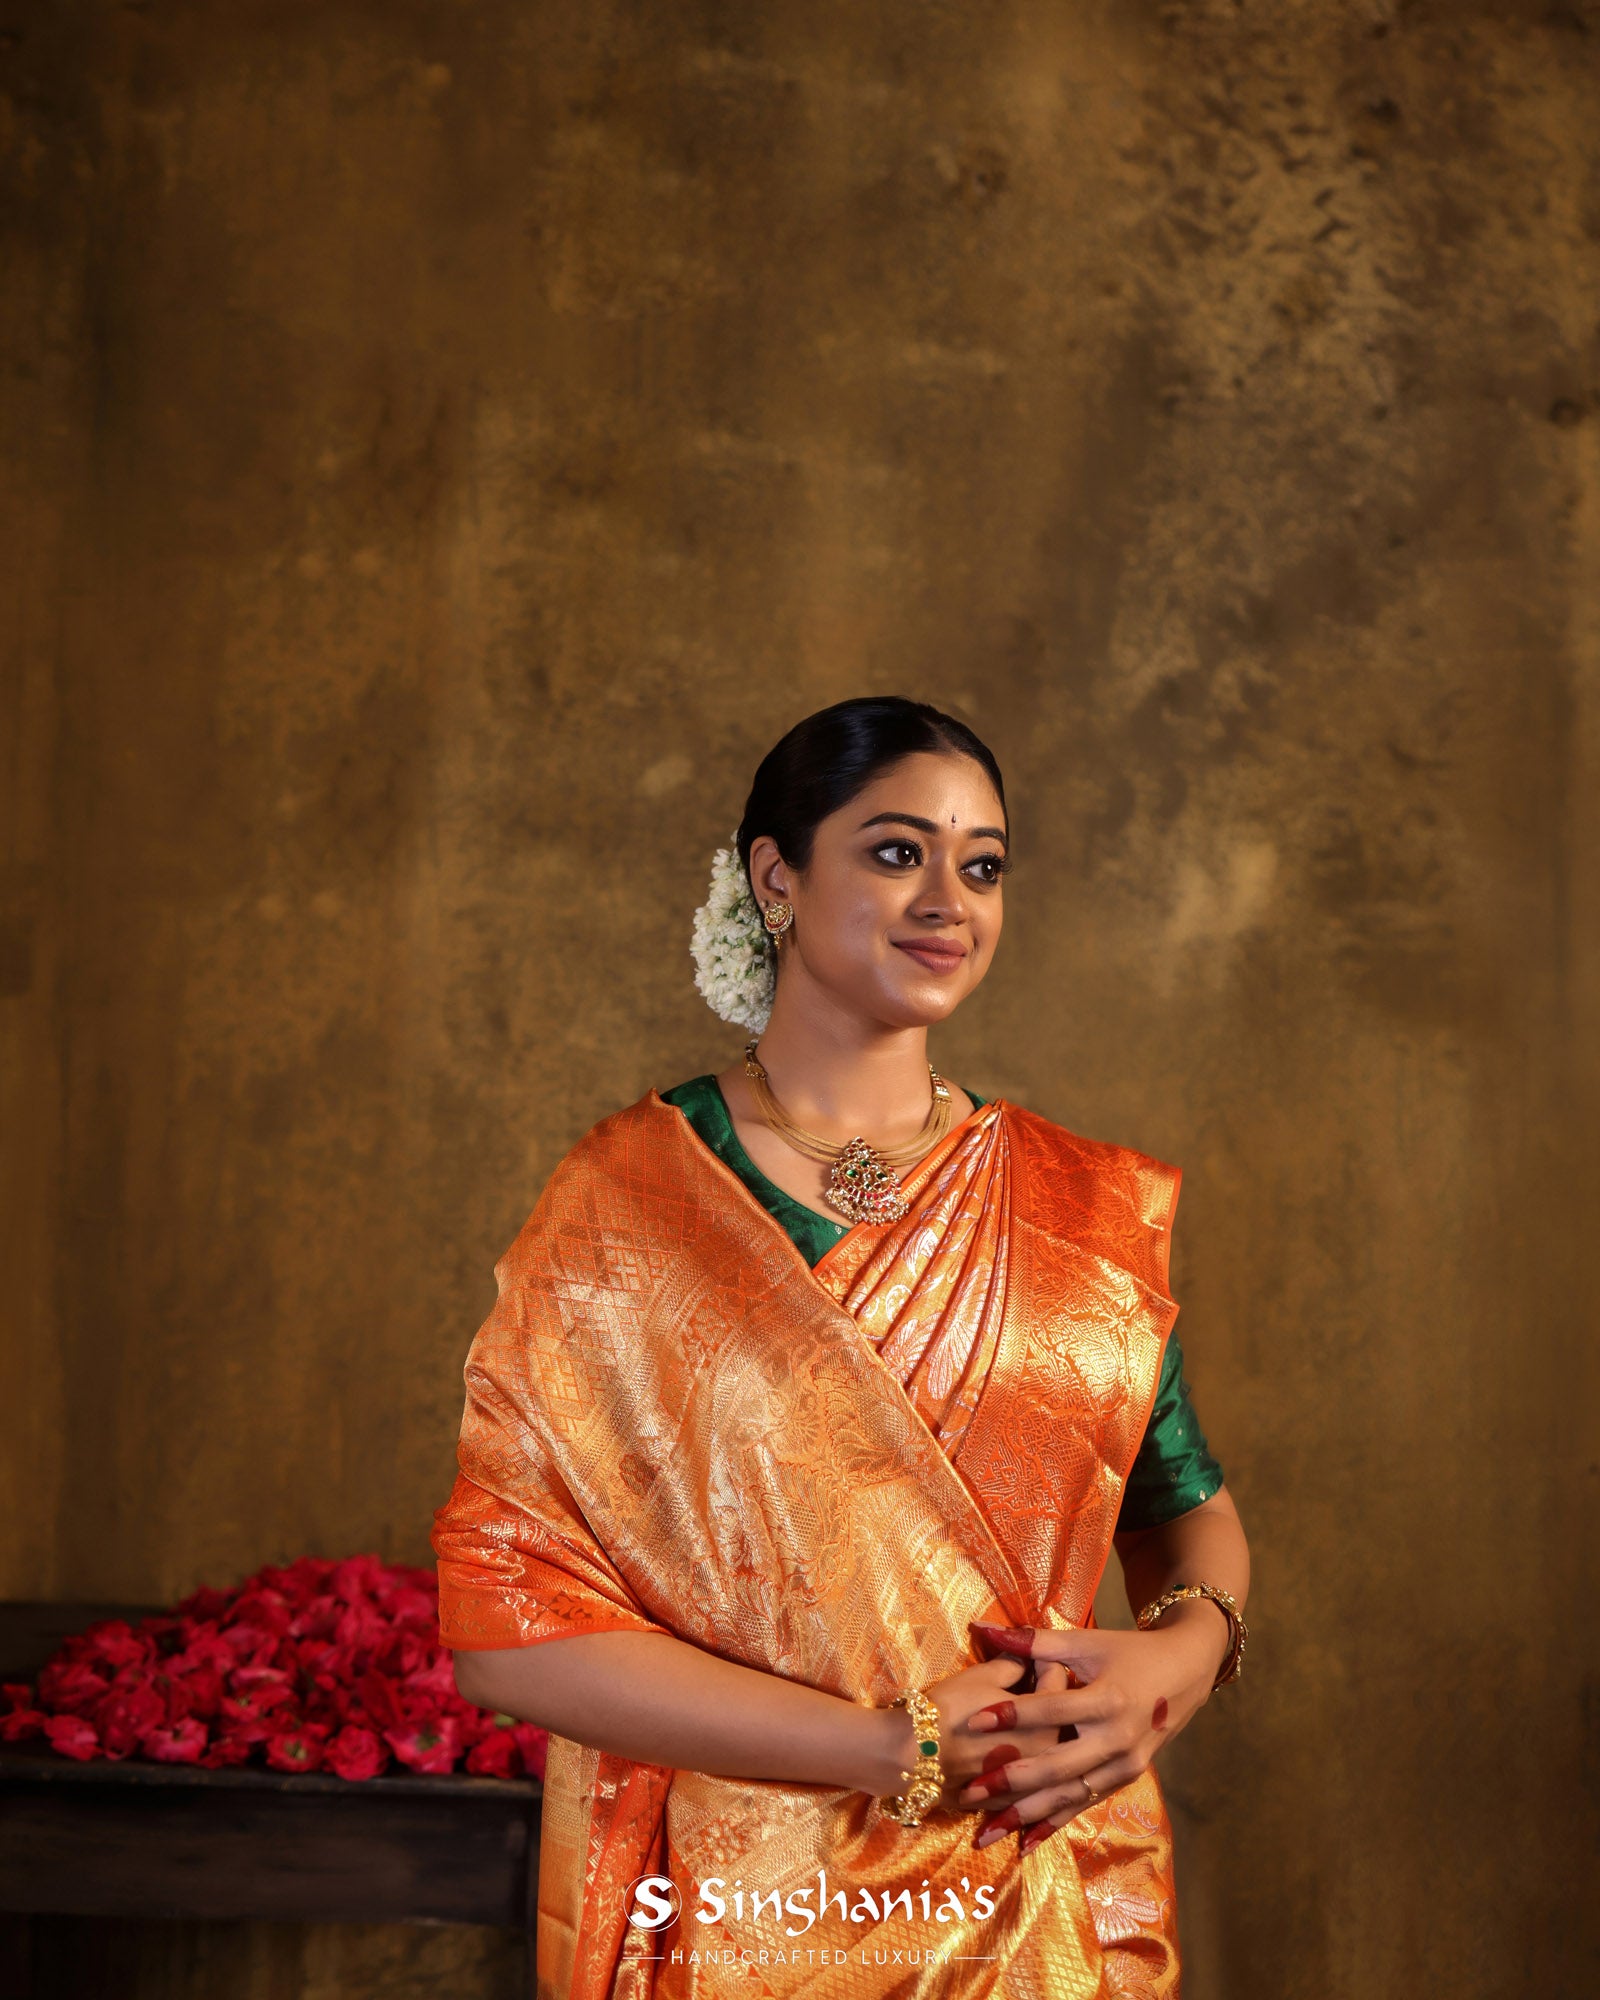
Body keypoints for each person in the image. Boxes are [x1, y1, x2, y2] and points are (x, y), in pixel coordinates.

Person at [431, 695, 1252, 2000]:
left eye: (980, 863)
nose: (949, 898)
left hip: (1038, 1905)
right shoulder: (629, 1204)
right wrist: (887, 1749)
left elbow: (1184, 1507)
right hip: (752, 1915)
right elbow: (508, 1626)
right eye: (893, 850)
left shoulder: (1078, 1207)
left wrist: (1184, 1656)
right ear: (775, 879)